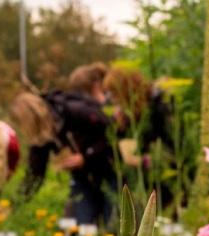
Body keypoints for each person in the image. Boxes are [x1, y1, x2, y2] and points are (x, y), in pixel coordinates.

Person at [10, 91, 116, 226]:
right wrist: (14, 203)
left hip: (111, 170)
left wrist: (86, 156)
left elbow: (111, 130)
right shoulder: (41, 136)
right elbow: (35, 174)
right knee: (84, 227)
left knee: (114, 224)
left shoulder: (74, 110)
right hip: (82, 178)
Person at [103, 65, 175, 209]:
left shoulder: (159, 107)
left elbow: (172, 146)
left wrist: (152, 159)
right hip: (141, 179)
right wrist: (120, 127)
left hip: (165, 179)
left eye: (115, 93)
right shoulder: (126, 114)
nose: (113, 99)